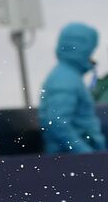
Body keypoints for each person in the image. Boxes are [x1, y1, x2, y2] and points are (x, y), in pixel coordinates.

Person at [39, 22, 106, 154]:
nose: (91, 56)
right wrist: (84, 152)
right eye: (90, 50)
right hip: (72, 162)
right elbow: (56, 123)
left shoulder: (69, 77)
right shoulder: (64, 80)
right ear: (81, 47)